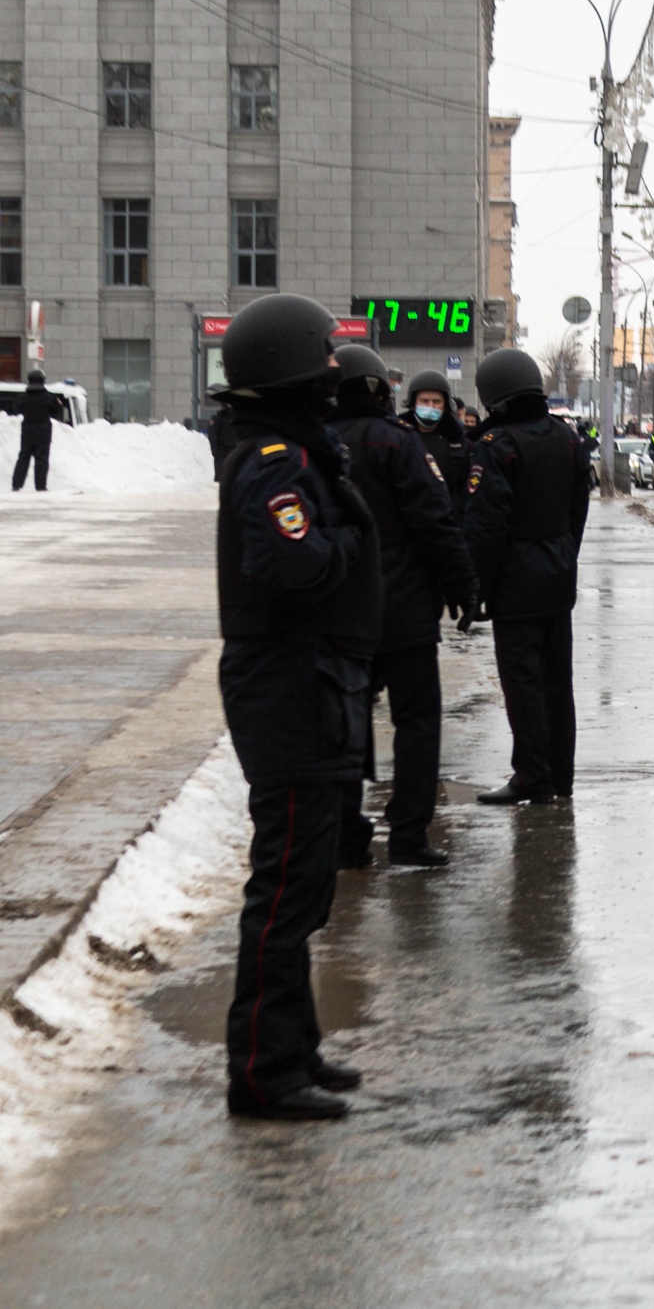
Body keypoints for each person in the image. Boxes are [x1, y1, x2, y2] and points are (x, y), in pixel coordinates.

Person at [209, 293, 382, 1121]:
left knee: (305, 885)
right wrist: (351, 543)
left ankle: (295, 1045)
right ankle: (262, 1073)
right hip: (287, 684)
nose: (333, 378)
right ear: (288, 372)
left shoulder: (296, 452)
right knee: (281, 889)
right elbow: (298, 566)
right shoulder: (277, 460)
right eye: (320, 364)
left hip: (309, 682)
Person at [326, 346, 477, 869]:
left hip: (342, 612)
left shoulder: (317, 446)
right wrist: (463, 588)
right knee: (417, 722)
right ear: (382, 390)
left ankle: (347, 837)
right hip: (406, 610)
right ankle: (409, 836)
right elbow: (435, 522)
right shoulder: (399, 442)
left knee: (348, 721)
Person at [466, 349, 590, 806]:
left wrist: (476, 588)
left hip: (515, 581)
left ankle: (532, 776)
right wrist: (563, 552)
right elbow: (579, 507)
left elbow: (485, 525)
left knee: (523, 683)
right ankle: (561, 776)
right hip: (558, 574)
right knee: (559, 681)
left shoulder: (496, 444)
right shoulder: (566, 437)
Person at [399, 376, 472, 521]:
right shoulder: (398, 436)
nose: (430, 406)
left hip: (448, 521)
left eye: (436, 402)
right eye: (424, 401)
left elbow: (466, 488)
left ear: (445, 405)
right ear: (413, 403)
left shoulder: (457, 441)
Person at [12, 367, 60, 492]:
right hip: (44, 431)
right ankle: (40, 486)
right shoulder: (49, 397)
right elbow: (57, 411)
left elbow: (16, 409)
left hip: (27, 431)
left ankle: (16, 484)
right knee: (42, 459)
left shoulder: (23, 397)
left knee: (23, 457)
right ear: (42, 381)